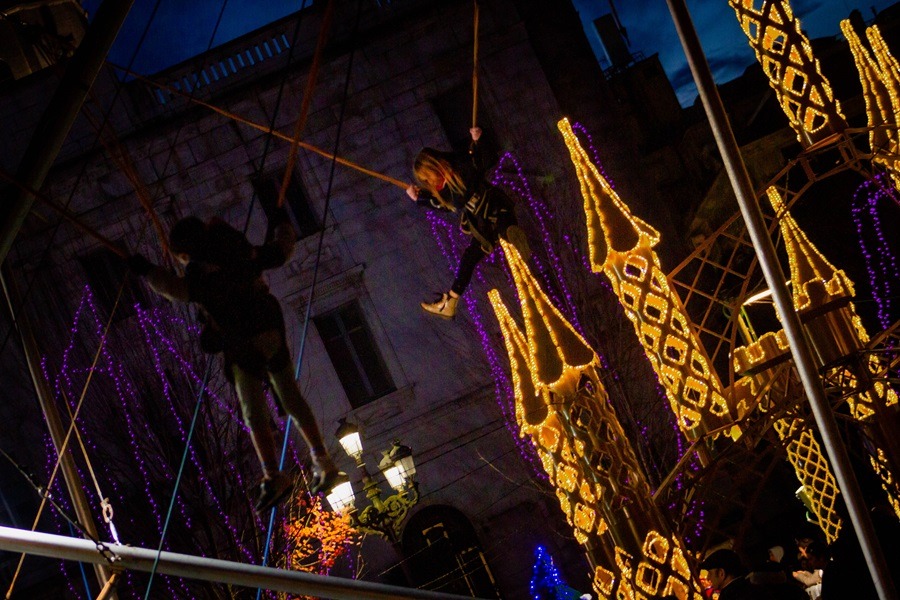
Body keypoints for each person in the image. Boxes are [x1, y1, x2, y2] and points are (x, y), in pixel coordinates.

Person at [127, 211, 341, 514]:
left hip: (242, 340)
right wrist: (282, 222)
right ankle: (322, 458)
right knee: (289, 395)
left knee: (253, 410)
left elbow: (173, 289)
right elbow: (281, 250)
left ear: (186, 254)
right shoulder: (241, 253)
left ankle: (272, 475)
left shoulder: (201, 278)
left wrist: (146, 271)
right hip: (269, 328)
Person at [406, 126, 531, 319]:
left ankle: (513, 236)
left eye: (427, 177)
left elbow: (485, 162)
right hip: (481, 223)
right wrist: (420, 198)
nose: (429, 182)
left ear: (434, 168)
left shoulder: (461, 167)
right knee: (469, 258)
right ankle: (451, 301)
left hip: (494, 209)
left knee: (503, 225)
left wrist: (479, 140)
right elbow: (446, 205)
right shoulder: (446, 186)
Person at [700, 548, 777, 599]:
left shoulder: (729, 597)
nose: (708, 578)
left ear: (721, 573)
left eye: (710, 573)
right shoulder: (755, 588)